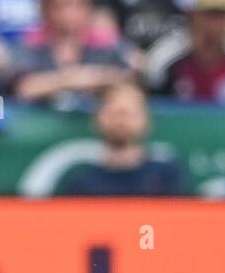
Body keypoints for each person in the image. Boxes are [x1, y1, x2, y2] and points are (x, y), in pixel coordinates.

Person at [10, 0, 134, 107]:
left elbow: (127, 82)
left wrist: (87, 77)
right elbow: (23, 89)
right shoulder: (29, 44)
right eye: (63, 3)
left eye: (79, 2)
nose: (71, 12)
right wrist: (74, 79)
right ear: (45, 6)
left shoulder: (106, 44)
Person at [57, 81, 187, 196]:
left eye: (129, 113)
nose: (121, 120)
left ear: (146, 120)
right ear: (97, 119)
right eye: (114, 112)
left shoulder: (166, 177)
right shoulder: (83, 184)